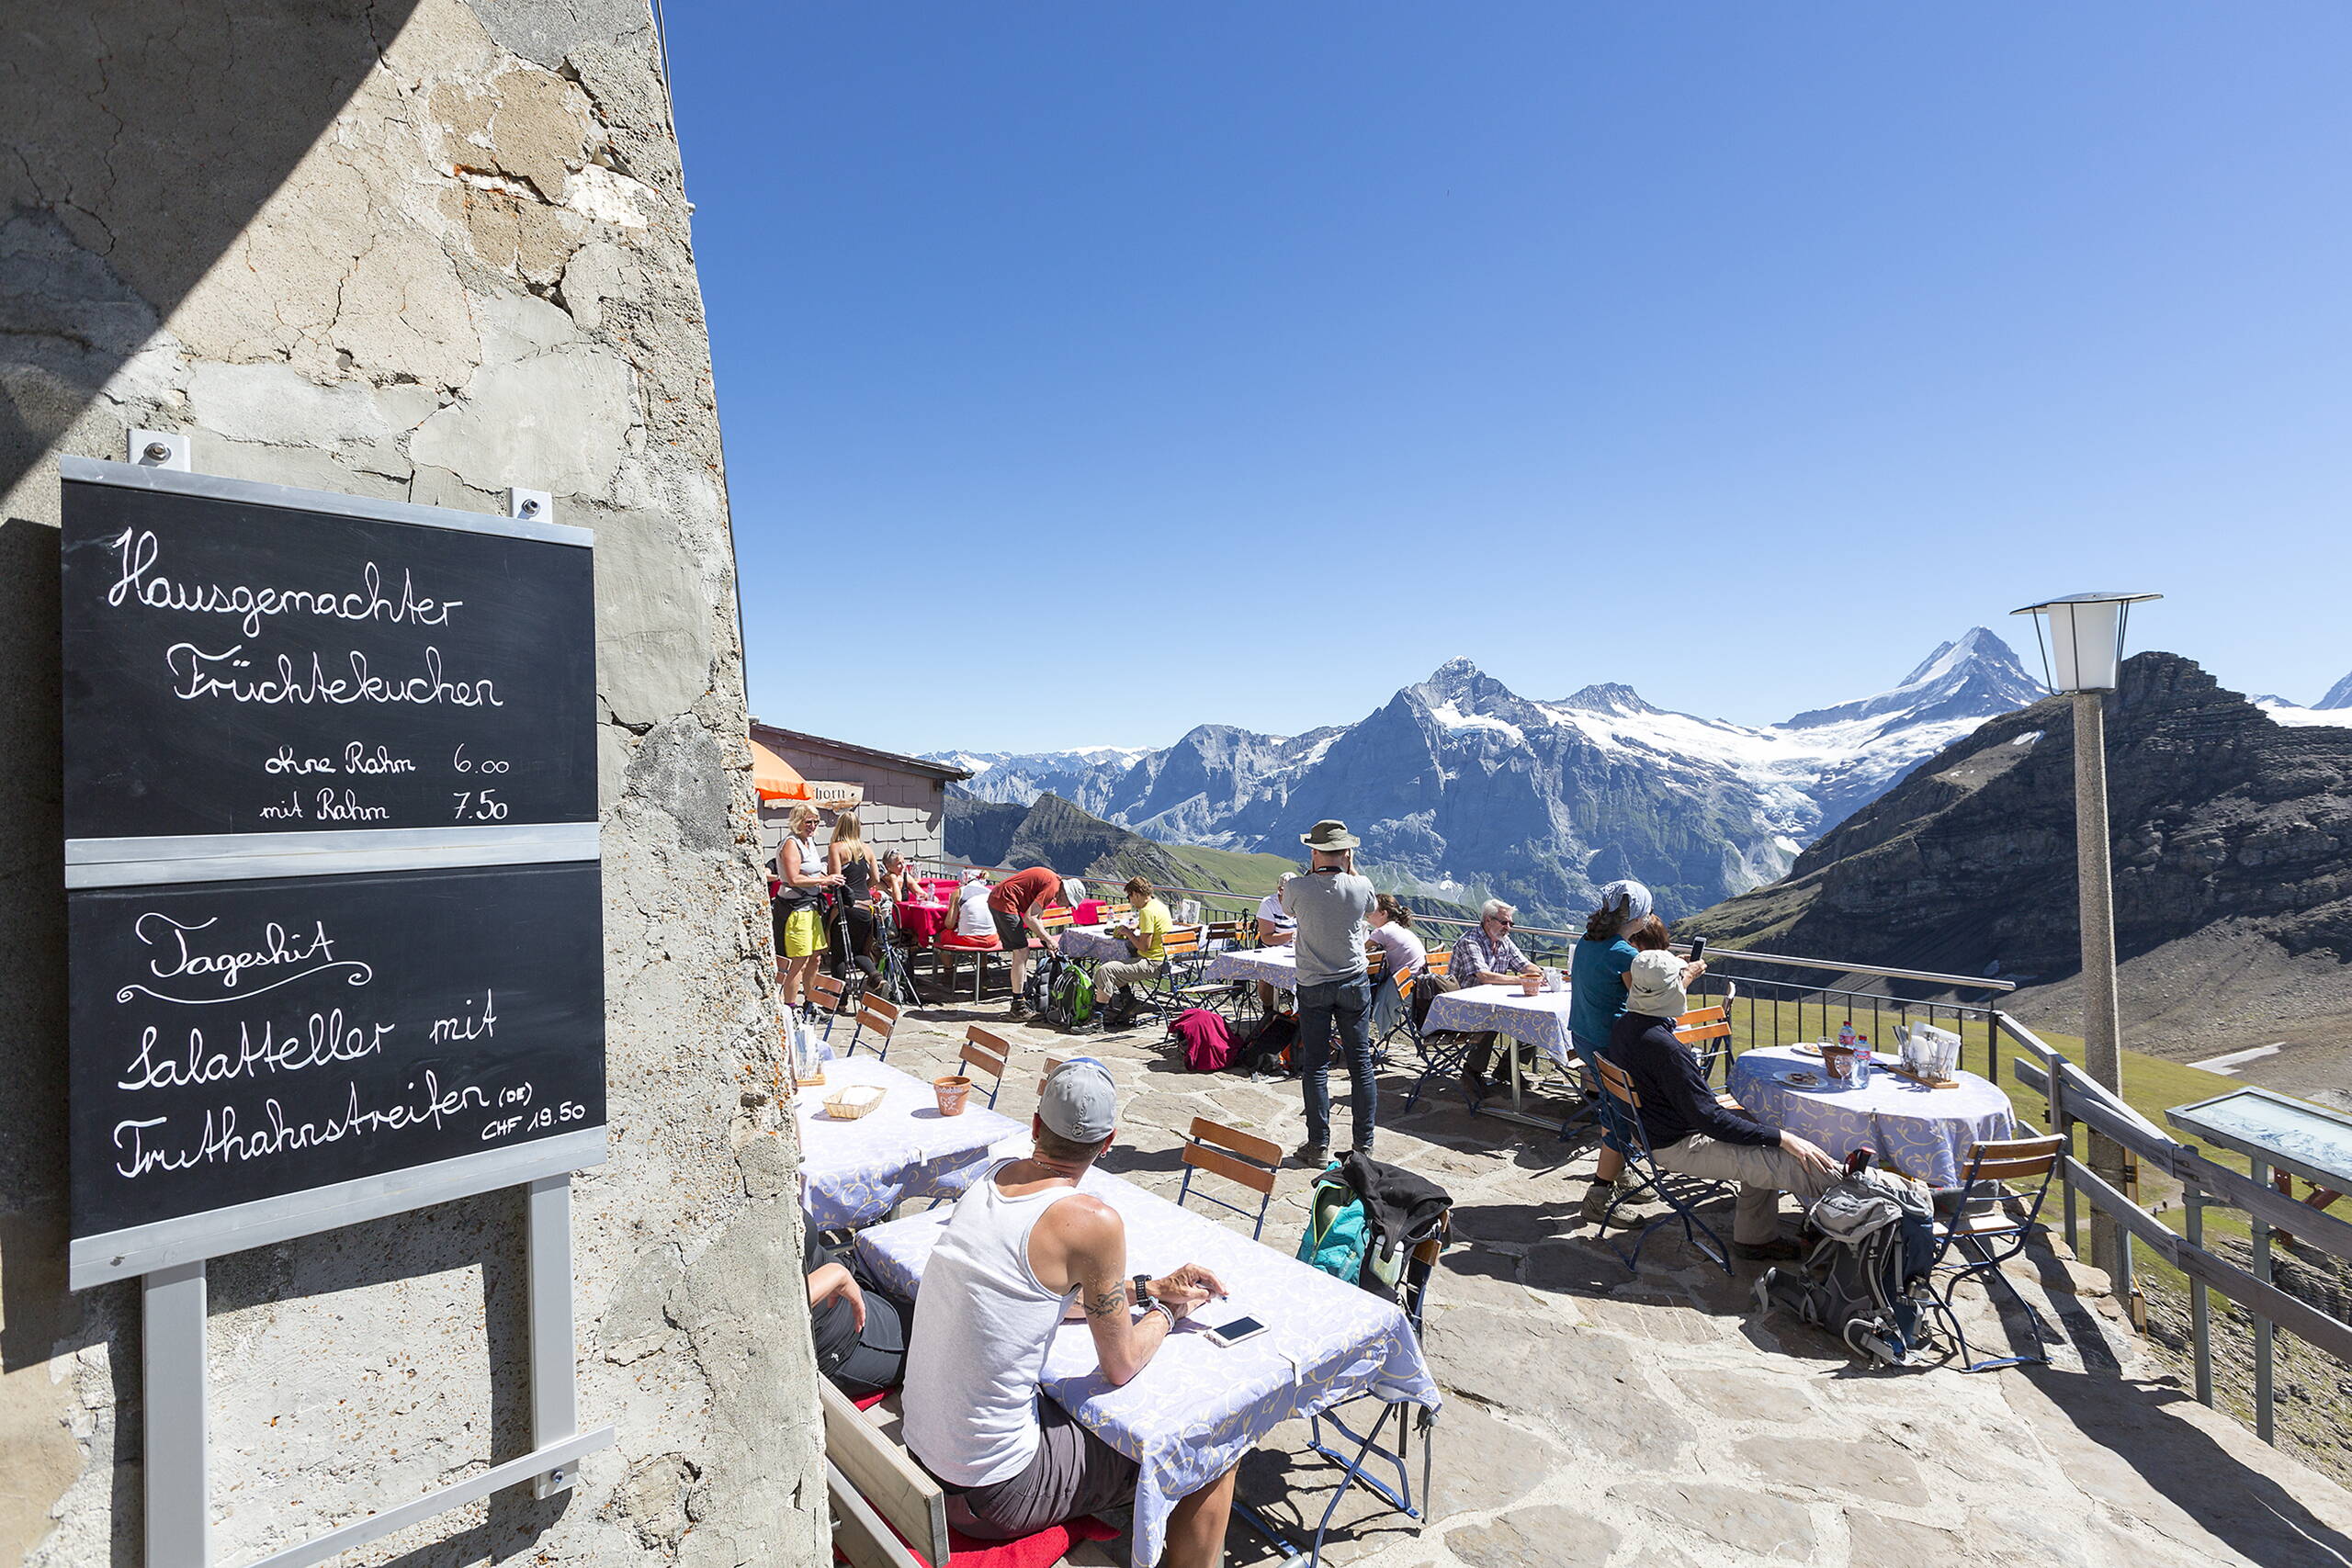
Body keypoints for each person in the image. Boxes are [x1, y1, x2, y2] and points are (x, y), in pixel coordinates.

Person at [901, 1060, 1238, 1567]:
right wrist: (1167, 1313)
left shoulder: (991, 1180)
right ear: (1109, 1143)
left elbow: (1041, 1293)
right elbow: (1120, 1364)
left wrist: (1147, 1289)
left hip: (923, 1460)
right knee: (1211, 1450)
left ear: (1036, 1126)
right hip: (994, 1492)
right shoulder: (1092, 1222)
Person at [1603, 916, 1847, 1261]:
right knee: (1804, 1163)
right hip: (1677, 1144)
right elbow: (1711, 1121)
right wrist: (1784, 1139)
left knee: (1758, 1130)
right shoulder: (1665, 1049)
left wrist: (1767, 1133)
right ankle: (1864, 1219)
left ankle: (1756, 1237)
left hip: (1651, 1132)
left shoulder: (1627, 1026)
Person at [1280, 820, 1378, 1166]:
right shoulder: (1361, 884)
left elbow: (1288, 910)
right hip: (1353, 981)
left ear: (1314, 852)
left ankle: (1317, 1146)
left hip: (1314, 984)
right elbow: (1369, 906)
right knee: (1360, 1065)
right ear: (1347, 852)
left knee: (1316, 1067)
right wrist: (1349, 869)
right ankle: (1363, 1148)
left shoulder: (1297, 887)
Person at [1571, 880, 1651, 1220]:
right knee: (1619, 1116)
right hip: (1611, 1044)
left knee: (1612, 1108)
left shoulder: (1587, 942)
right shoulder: (1624, 954)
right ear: (1636, 916)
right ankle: (1599, 1196)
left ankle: (1621, 1169)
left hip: (1585, 1036)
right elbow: (1643, 1003)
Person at [803, 1205, 914, 1398]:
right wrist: (836, 1275)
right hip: (846, 1343)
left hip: (852, 1295)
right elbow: (762, 1315)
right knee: (939, 1330)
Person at [1448, 898, 1542, 1101]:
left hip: (1489, 1003)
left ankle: (1507, 1067)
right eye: (1504, 922)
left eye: (1510, 923)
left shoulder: (1504, 941)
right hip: (1462, 1008)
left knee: (1534, 1018)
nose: (1508, 927)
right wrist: (1522, 981)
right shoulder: (1469, 941)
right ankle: (1472, 1072)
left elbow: (1524, 965)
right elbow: (1484, 976)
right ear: (1488, 920)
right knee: (1490, 1020)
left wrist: (1541, 974)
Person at [775, 805, 843, 1011]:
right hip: (795, 908)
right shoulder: (791, 843)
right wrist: (826, 880)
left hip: (811, 906)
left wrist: (829, 880)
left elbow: (812, 874)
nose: (812, 826)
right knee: (799, 960)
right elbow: (794, 878)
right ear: (798, 822)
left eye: (815, 821)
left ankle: (810, 1002)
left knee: (816, 957)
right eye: (808, 822)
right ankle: (790, 1006)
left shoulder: (809, 842)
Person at [987, 863, 1066, 1015]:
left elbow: (1037, 919)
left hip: (999, 899)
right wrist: (1049, 939)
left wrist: (1045, 941)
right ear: (1066, 894)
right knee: (1021, 952)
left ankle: (1023, 997)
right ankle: (1018, 1004)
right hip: (1005, 902)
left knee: (1021, 952)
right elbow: (1030, 919)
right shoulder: (1053, 887)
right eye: (1069, 903)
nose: (1066, 906)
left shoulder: (1053, 882)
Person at [1092, 876, 1172, 1017]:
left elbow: (1144, 947)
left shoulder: (1146, 911)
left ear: (1135, 894)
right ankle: (1128, 1001)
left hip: (1152, 963)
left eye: (1130, 896)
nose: (1130, 901)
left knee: (1105, 970)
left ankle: (1096, 1017)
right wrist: (1137, 926)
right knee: (1117, 960)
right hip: (1166, 960)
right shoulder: (1159, 905)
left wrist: (1128, 933)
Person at [826, 811, 882, 986]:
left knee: (839, 954)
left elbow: (836, 878)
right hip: (866, 908)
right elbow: (876, 879)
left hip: (847, 908)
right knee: (858, 950)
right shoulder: (867, 849)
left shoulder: (836, 848)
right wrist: (864, 887)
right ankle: (877, 977)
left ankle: (839, 1000)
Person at [1366, 893, 1427, 1040]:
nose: (1367, 913)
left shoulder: (1382, 931)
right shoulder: (1399, 928)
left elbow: (1360, 951)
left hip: (1404, 987)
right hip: (1419, 985)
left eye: (1372, 909)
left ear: (1383, 913)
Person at [937, 868, 1001, 993]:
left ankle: (948, 973)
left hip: (970, 940)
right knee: (981, 933)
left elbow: (949, 924)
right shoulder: (989, 892)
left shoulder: (959, 892)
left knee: (940, 935)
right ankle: (983, 973)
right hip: (993, 938)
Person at [1253, 873, 1298, 1019]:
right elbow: (1267, 938)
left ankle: (1300, 1015)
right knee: (1266, 975)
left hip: (1295, 951)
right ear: (1280, 890)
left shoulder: (1301, 903)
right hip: (1271, 951)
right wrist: (1294, 935)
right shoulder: (1269, 904)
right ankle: (1269, 1012)